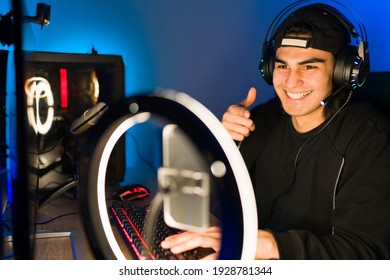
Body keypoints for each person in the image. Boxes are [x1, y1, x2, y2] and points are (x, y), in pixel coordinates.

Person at [161, 2, 390, 259]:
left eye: (309, 66)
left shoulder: (370, 140)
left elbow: (369, 254)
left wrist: (268, 246)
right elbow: (219, 202)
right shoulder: (264, 118)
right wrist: (225, 144)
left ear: (342, 72)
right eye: (282, 66)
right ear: (270, 68)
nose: (291, 82)